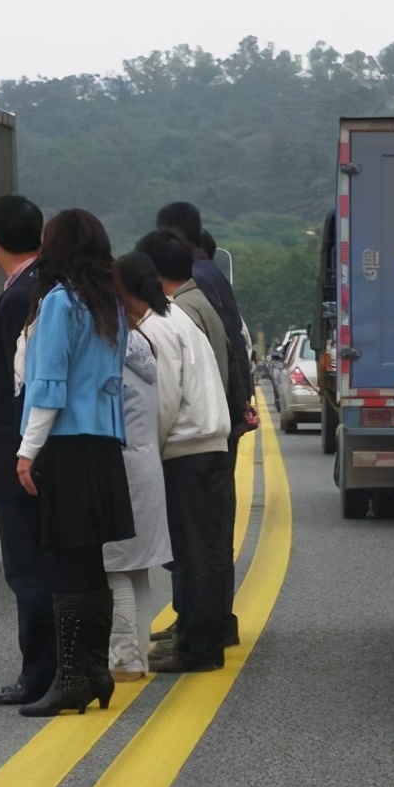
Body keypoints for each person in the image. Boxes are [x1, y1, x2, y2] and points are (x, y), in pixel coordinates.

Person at [14, 208, 136, 717]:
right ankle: (92, 670)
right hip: (103, 442)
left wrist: (27, 450)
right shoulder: (109, 303)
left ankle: (71, 677)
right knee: (89, 562)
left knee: (65, 563)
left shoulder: (61, 303)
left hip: (65, 443)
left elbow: (48, 386)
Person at [153, 203, 255, 651]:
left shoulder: (189, 297)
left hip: (201, 432)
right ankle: (206, 622)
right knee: (209, 535)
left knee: (197, 539)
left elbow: (197, 369)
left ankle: (201, 627)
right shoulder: (214, 277)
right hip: (221, 425)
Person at [132, 232, 232, 673]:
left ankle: (198, 649)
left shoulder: (155, 326)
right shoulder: (178, 315)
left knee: (194, 556)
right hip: (209, 444)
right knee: (204, 551)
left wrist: (145, 450)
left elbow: (163, 397)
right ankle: (197, 639)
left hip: (186, 449)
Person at [0, 195, 54, 707]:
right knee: (43, 567)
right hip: (37, 452)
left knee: (28, 570)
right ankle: (52, 667)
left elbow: (18, 386)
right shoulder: (44, 286)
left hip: (21, 456)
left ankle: (39, 674)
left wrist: (22, 453)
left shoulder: (17, 298)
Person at [103, 256, 174, 682]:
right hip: (147, 463)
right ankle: (138, 655)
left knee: (112, 567)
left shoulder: (112, 349)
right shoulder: (142, 345)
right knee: (137, 570)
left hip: (123, 465)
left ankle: (125, 659)